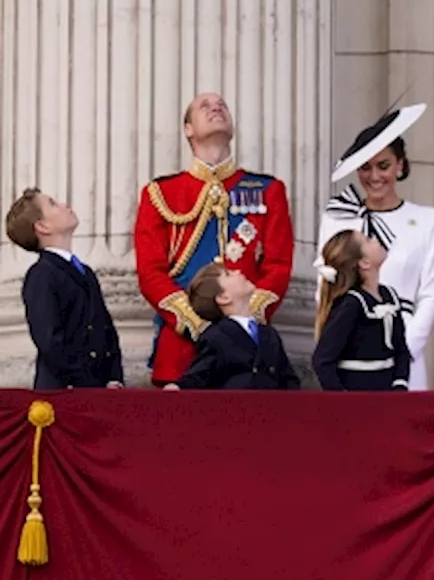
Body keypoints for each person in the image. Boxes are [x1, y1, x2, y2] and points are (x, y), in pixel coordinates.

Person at [135, 92, 295, 387]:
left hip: (250, 359)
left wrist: (243, 319)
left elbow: (278, 266)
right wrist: (198, 325)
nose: (217, 108)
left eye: (222, 105)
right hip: (182, 354)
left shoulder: (267, 190)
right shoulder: (160, 194)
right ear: (188, 129)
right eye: (204, 106)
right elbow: (150, 272)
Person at [318, 104, 434, 391]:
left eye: (383, 165)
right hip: (352, 355)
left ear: (400, 165)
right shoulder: (337, 219)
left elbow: (431, 294)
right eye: (365, 167)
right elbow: (323, 288)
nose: (374, 176)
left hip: (405, 348)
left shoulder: (427, 219)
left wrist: (403, 349)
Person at [5, 189, 123, 390]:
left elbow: (105, 328)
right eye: (52, 203)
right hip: (65, 391)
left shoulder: (85, 272)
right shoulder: (42, 275)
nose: (63, 204)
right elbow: (50, 341)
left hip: (98, 389)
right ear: (43, 226)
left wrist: (114, 377)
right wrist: (85, 380)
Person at [167, 262, 300, 390]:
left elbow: (288, 378)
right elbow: (200, 374)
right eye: (228, 274)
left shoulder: (269, 333)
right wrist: (179, 387)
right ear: (223, 297)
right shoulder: (216, 336)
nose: (238, 271)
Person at [312, 230, 411, 391]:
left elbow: (401, 349)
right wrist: (343, 400)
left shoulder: (389, 296)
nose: (374, 239)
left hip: (387, 396)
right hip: (358, 397)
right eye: (367, 240)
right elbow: (322, 360)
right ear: (364, 262)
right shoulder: (352, 304)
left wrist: (400, 383)